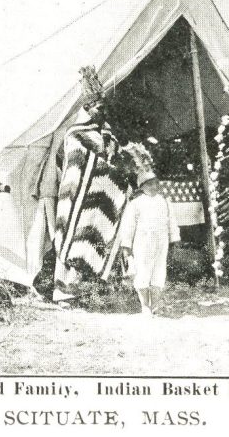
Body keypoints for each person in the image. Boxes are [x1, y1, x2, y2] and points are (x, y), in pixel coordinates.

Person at [52, 66, 131, 301]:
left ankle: (87, 292)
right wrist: (105, 166)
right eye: (99, 107)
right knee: (70, 240)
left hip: (97, 200)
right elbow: (77, 162)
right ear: (87, 108)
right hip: (77, 198)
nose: (103, 112)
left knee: (94, 240)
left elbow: (114, 158)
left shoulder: (106, 134)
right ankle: (62, 292)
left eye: (104, 108)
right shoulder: (75, 134)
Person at [119, 157, 180, 316]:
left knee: (159, 271)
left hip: (161, 241)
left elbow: (171, 221)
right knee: (142, 271)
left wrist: (174, 239)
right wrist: (126, 246)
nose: (154, 187)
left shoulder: (165, 202)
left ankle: (156, 304)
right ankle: (145, 305)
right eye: (149, 184)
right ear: (142, 187)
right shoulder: (136, 204)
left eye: (155, 183)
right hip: (142, 242)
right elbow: (128, 226)